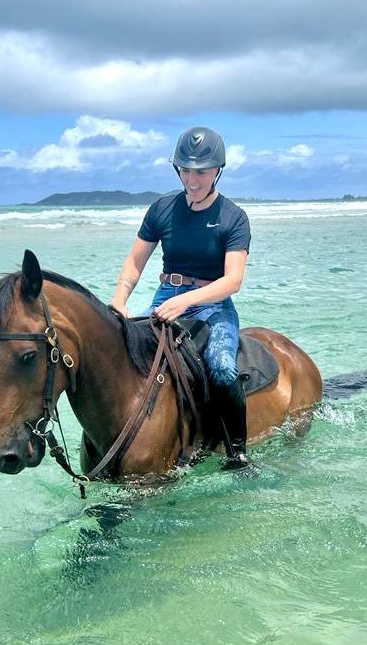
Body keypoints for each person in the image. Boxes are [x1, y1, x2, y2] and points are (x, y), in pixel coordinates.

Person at [111, 126, 252, 469]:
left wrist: (187, 301)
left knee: (221, 368)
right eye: (185, 170)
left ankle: (239, 453)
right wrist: (119, 301)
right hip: (166, 294)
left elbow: (233, 280)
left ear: (218, 170)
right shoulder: (162, 209)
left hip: (213, 303)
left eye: (201, 171)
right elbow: (134, 262)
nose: (192, 179)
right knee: (124, 351)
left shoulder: (233, 218)